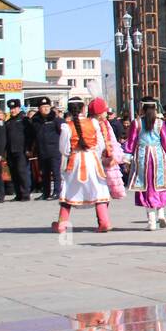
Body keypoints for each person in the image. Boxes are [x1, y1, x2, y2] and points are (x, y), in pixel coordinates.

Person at [54, 96, 112, 234]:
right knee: (99, 189)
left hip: (75, 161)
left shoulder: (67, 126)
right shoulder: (93, 123)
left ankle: (62, 224)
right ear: (83, 108)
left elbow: (63, 149)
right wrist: (95, 154)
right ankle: (104, 221)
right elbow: (101, 145)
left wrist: (72, 152)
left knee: (68, 191)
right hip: (92, 160)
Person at [123, 96, 166, 230]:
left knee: (146, 186)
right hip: (158, 155)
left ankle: (151, 221)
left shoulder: (137, 123)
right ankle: (161, 213)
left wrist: (127, 157)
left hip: (143, 156)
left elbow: (131, 141)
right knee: (160, 184)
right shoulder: (160, 123)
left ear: (142, 107)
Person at [4, 99, 35, 201]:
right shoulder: (8, 122)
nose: (13, 110)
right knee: (14, 173)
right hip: (10, 150)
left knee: (22, 172)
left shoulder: (24, 120)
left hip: (22, 150)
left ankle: (25, 194)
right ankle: (18, 194)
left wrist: (29, 149)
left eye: (14, 108)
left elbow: (30, 136)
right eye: (11, 108)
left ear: (19, 108)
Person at [32, 98, 64, 199]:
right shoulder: (35, 121)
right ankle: (45, 193)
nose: (45, 109)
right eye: (43, 107)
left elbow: (63, 133)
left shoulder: (56, 119)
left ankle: (57, 192)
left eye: (47, 107)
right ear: (39, 109)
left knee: (55, 172)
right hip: (42, 150)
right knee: (44, 173)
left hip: (54, 150)